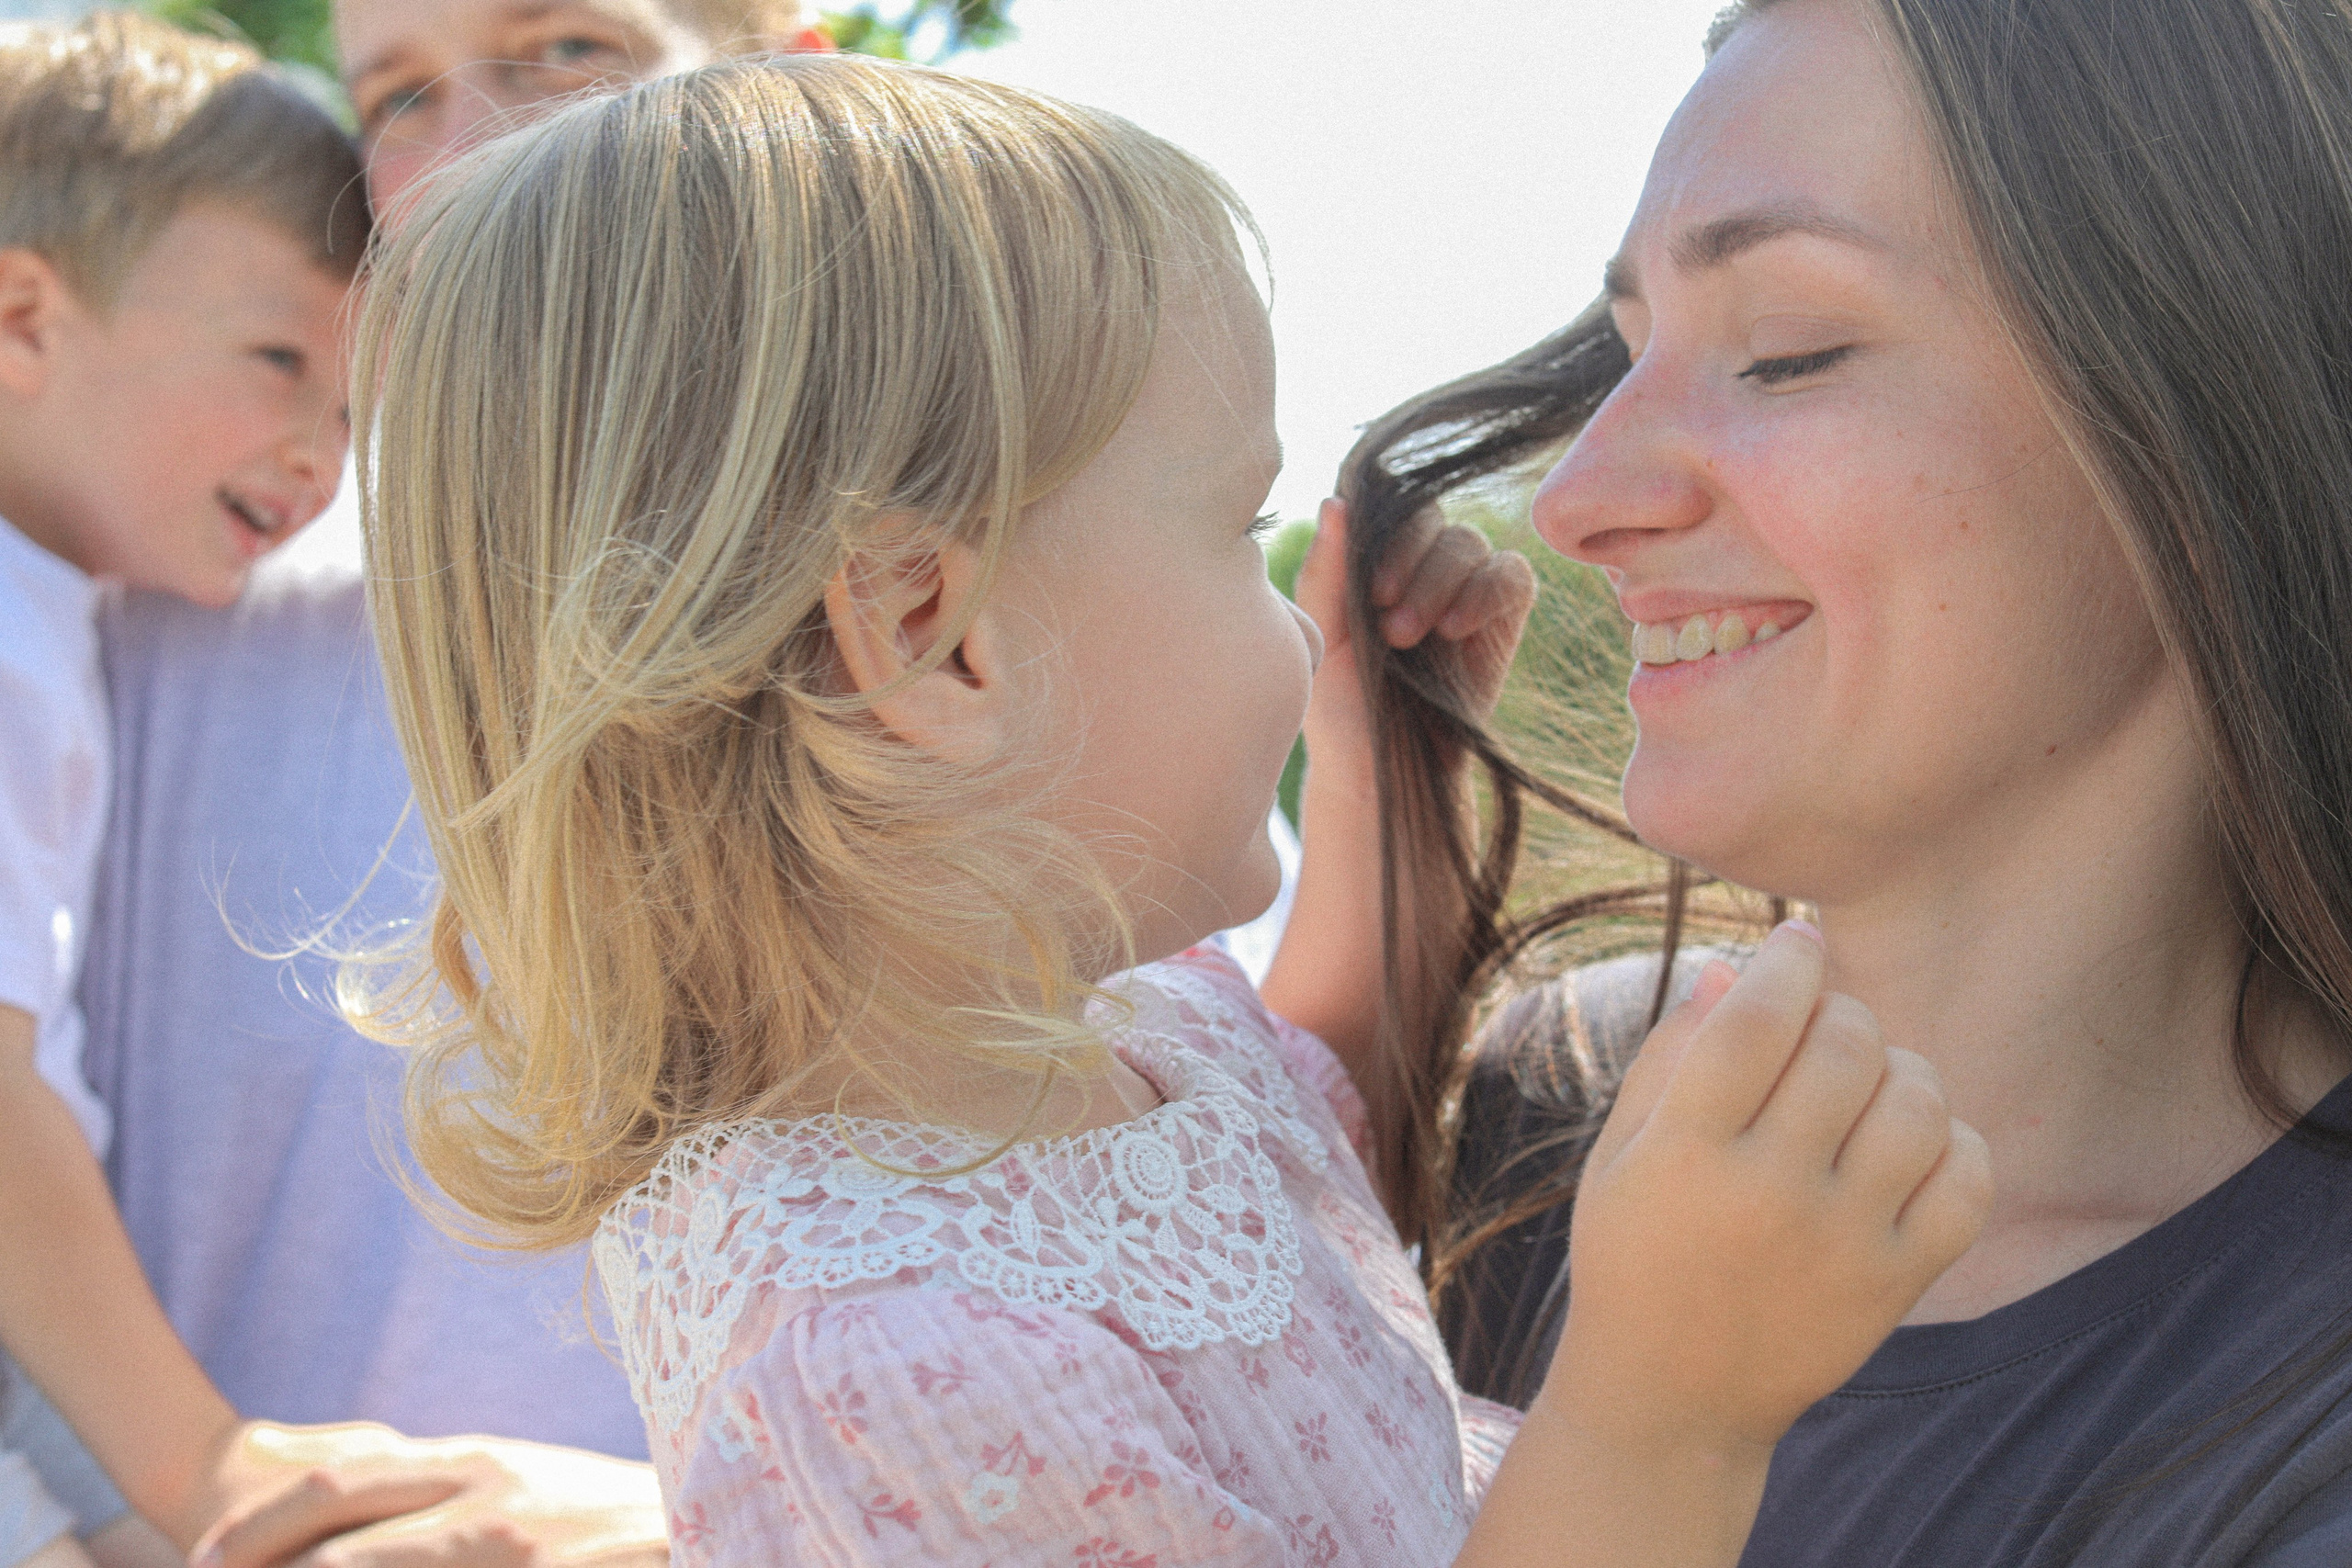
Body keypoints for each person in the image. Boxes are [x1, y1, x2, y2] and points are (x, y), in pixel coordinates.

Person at [348, 53, 1993, 1565]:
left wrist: (1376, 778)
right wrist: (1671, 1408)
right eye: (1236, 523)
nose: (1283, 611)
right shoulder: (905, 1373)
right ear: (932, 632)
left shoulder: (1111, 1034)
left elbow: (1306, 1143)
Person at [1329, 0, 2352, 1562]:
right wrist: (1386, 947)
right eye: (1623, 354)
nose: (1581, 499)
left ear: (2209, 420)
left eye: (1788, 352)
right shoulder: (1547, 1117)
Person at [82, 5, 832, 1567]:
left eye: (568, 46)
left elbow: (1235, 1335)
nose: (485, 150)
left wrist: (701, 1534)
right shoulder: (164, 614)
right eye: (403, 97)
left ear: (801, 83)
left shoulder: (1021, 639)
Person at [0, 16, 364, 1568]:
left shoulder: (61, 610)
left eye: (350, 411)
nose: (318, 456)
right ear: (21, 316)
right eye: (278, 361)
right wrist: (209, 1470)